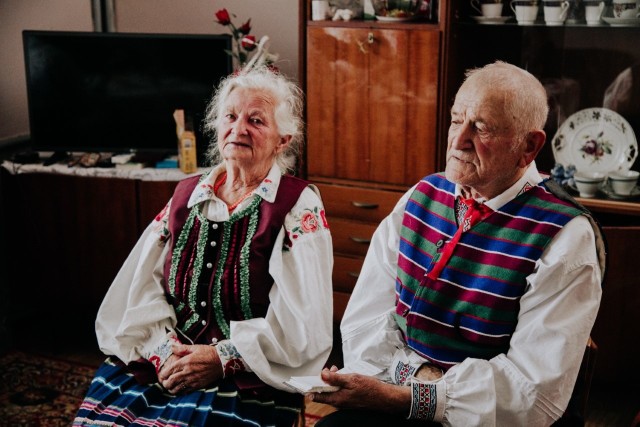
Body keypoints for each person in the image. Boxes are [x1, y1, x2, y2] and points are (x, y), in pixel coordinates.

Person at [310, 61, 606, 426]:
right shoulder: (422, 196)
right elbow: (364, 320)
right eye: (456, 120)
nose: (459, 140)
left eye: (481, 127)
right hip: (398, 391)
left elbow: (532, 393)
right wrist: (415, 383)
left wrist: (415, 398)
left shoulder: (565, 234)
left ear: (529, 145)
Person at [73, 66, 333, 426]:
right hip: (168, 358)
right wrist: (164, 352)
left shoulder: (297, 204)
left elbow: (305, 323)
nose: (238, 128)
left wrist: (219, 358)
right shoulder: (187, 195)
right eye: (230, 116)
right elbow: (139, 286)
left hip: (250, 373)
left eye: (256, 120)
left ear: (282, 140)